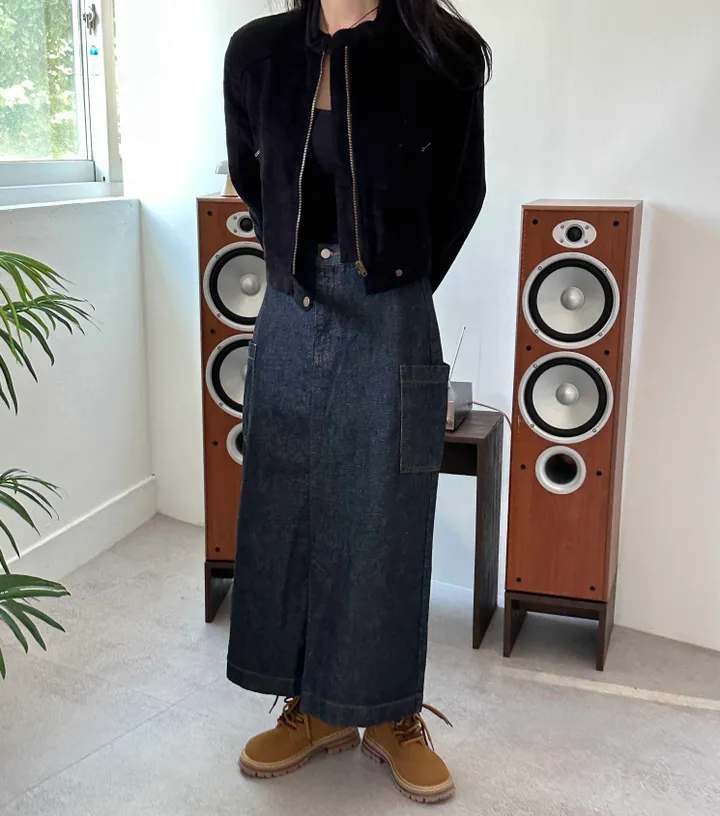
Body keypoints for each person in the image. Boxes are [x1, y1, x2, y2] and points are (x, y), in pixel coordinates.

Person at [223, 0, 490, 803]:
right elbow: (251, 174)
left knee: (386, 516)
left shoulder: (443, 51)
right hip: (290, 305)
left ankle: (392, 712)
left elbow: (461, 191)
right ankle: (313, 707)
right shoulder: (257, 52)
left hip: (392, 309)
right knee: (288, 510)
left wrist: (395, 279)